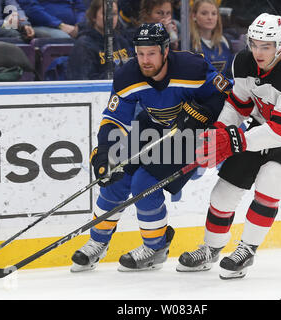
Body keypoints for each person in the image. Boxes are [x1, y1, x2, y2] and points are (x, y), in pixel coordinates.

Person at [70, 22, 231, 273]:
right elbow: (114, 118)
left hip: (188, 136)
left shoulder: (192, 67)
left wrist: (205, 112)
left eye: (151, 53)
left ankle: (155, 248)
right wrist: (104, 151)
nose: (145, 60)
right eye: (140, 53)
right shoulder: (127, 75)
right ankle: (97, 242)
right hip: (152, 127)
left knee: (143, 184)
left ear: (165, 50)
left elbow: (225, 93)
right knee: (114, 177)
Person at [176, 13, 281, 280]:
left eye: (265, 46)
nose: (257, 51)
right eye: (254, 43)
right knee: (224, 192)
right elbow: (239, 104)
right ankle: (211, 249)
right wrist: (219, 133)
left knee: (271, 178)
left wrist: (234, 140)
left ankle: (246, 249)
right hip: (261, 129)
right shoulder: (243, 61)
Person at [66, 0, 133, 80]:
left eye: (114, 14)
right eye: (105, 14)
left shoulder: (121, 41)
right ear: (94, 17)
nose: (110, 18)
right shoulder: (84, 46)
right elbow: (82, 81)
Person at [190, 0, 235, 79]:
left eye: (214, 13)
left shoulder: (225, 41)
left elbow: (231, 74)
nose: (210, 17)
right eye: (204, 13)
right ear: (194, 16)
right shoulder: (188, 43)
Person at [17, 0, 86, 38]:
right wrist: (60, 25)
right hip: (43, 25)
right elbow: (32, 9)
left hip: (73, 26)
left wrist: (78, 25)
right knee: (63, 38)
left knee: (91, 37)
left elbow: (81, 9)